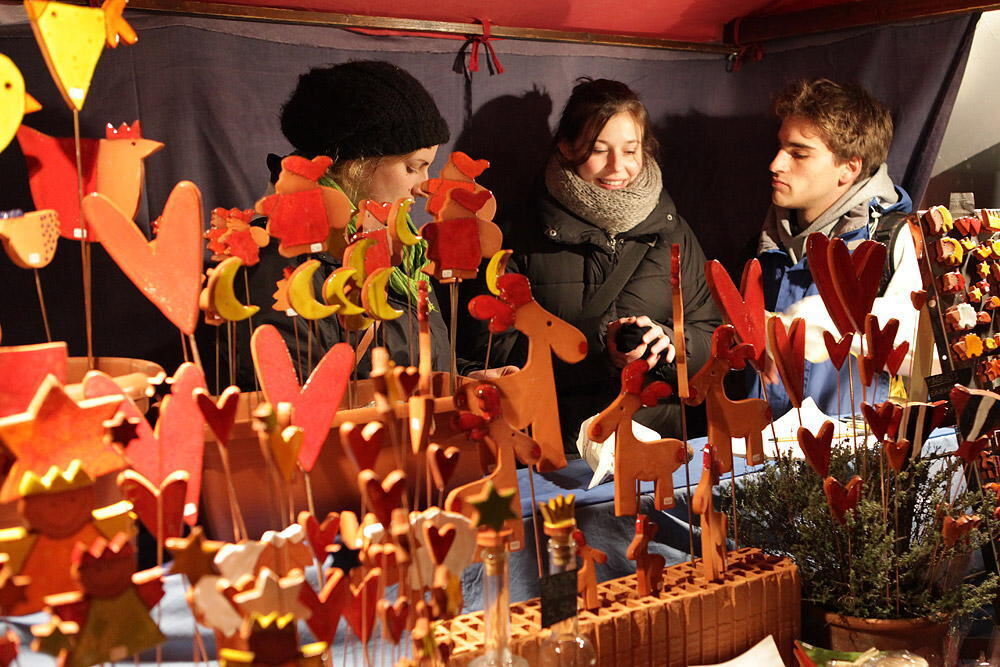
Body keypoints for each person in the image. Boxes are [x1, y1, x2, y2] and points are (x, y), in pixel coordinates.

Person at [492, 78, 720, 447]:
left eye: (631, 151)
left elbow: (712, 332)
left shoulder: (672, 230)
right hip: (557, 450)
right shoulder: (521, 237)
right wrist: (599, 349)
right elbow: (491, 353)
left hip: (656, 443)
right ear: (566, 148)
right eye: (599, 150)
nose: (618, 167)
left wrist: (672, 344)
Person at [232, 60, 463, 389]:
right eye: (414, 167)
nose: (424, 185)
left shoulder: (405, 254)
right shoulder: (286, 262)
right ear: (357, 165)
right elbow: (292, 409)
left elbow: (419, 362)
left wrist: (466, 381)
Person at [758, 78, 916, 418]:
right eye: (781, 147)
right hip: (768, 455)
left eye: (798, 153)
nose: (776, 164)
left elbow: (924, 354)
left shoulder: (894, 242)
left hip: (859, 461)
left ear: (849, 168)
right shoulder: (770, 241)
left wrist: (818, 320)